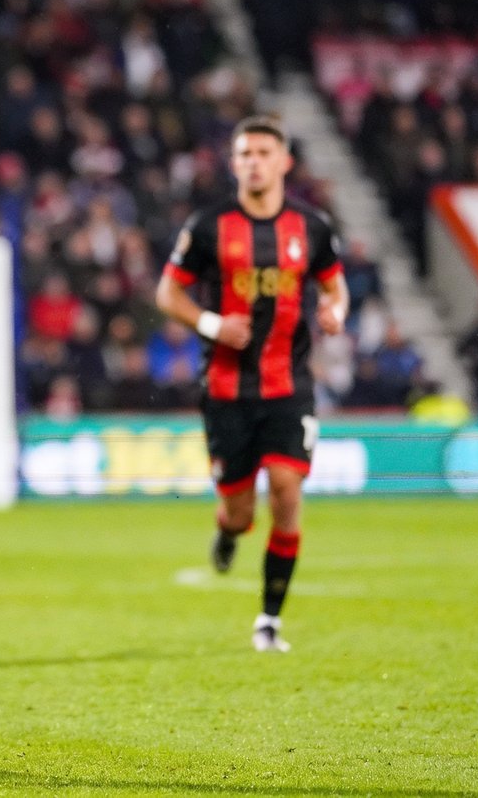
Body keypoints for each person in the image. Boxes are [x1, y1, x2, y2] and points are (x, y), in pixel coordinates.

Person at [156, 115, 348, 653]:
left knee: (287, 490)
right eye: (244, 153)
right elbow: (167, 294)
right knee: (241, 514)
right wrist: (214, 325)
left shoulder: (311, 227)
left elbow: (336, 287)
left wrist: (335, 312)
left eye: (264, 152)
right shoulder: (209, 225)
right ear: (234, 162)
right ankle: (226, 530)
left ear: (284, 162)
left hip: (290, 387)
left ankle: (269, 622)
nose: (254, 161)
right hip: (225, 390)